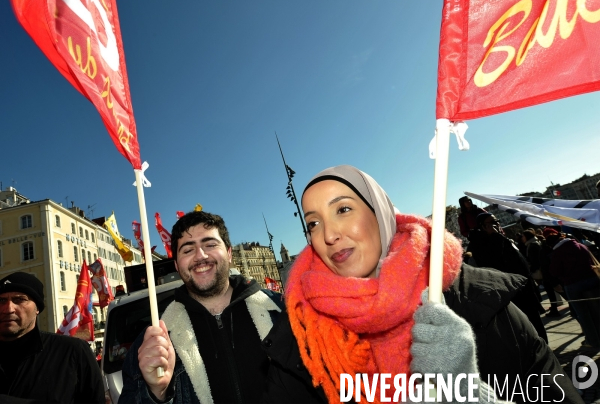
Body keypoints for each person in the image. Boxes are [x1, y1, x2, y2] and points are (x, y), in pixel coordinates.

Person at [262, 165, 581, 404]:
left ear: (381, 213)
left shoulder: (478, 300)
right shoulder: (300, 341)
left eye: (343, 209)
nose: (329, 234)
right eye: (313, 223)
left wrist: (473, 397)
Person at [119, 211, 284, 404]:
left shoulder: (282, 312)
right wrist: (157, 393)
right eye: (188, 250)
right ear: (177, 266)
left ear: (229, 253)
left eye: (210, 244)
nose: (201, 255)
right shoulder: (155, 343)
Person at [0, 272, 104, 404]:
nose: (8, 309)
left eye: (19, 299)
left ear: (37, 308)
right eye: (1, 300)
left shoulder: (72, 352)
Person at [467, 213, 548, 341]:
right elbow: (493, 264)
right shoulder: (479, 245)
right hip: (510, 297)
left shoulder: (500, 238)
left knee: (538, 328)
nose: (497, 225)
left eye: (497, 221)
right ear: (483, 226)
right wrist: (495, 236)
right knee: (526, 333)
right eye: (492, 222)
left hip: (525, 291)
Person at [549, 232, 600, 349]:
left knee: (583, 314)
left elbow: (554, 271)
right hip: (592, 279)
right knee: (597, 309)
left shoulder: (558, 252)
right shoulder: (581, 246)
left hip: (573, 284)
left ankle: (593, 341)